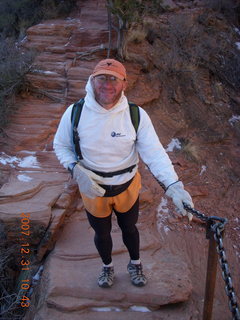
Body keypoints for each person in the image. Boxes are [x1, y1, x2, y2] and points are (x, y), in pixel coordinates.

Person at [53, 59, 194, 289]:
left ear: (124, 84)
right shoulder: (75, 112)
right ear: (92, 80)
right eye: (102, 78)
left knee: (130, 228)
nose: (107, 84)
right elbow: (61, 145)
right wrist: (75, 169)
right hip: (92, 187)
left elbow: (155, 154)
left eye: (113, 79)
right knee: (102, 232)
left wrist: (174, 186)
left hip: (126, 186)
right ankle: (107, 266)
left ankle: (135, 263)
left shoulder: (135, 115)